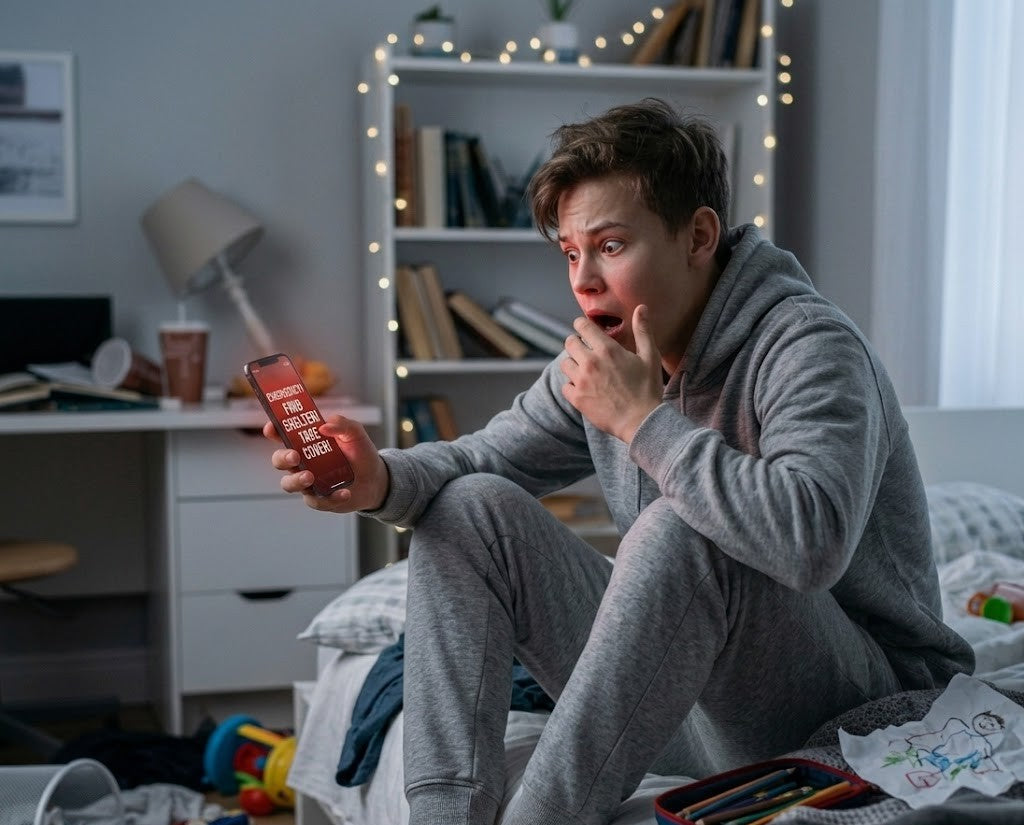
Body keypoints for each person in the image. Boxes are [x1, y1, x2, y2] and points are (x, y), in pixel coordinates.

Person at [265, 97, 974, 825]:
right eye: (571, 252)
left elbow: (811, 540)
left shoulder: (808, 344)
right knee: (466, 505)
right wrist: (376, 476)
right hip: (684, 704)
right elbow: (485, 458)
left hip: (861, 704)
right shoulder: (607, 354)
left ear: (698, 235)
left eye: (609, 245)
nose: (583, 280)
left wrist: (643, 421)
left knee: (678, 530)